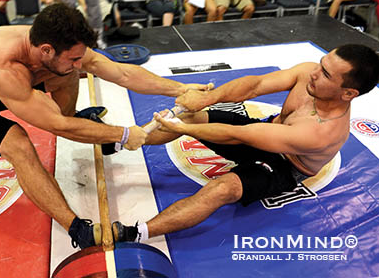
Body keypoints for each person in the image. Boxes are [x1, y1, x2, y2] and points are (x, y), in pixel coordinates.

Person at [0, 3, 212, 249]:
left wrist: (181, 88)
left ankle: (80, 116)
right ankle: (76, 227)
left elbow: (122, 73)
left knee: (67, 72)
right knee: (18, 143)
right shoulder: (5, 66)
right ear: (46, 50)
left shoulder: (54, 45)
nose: (81, 62)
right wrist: (123, 135)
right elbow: (58, 126)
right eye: (74, 56)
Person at [112, 44, 379, 243]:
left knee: (222, 188)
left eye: (326, 75)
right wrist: (208, 99)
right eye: (321, 64)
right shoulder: (309, 73)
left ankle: (135, 232)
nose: (314, 73)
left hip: (285, 164)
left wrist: (185, 129)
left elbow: (239, 135)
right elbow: (256, 85)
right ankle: (121, 143)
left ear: (348, 93)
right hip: (269, 129)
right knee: (194, 113)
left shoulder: (324, 131)